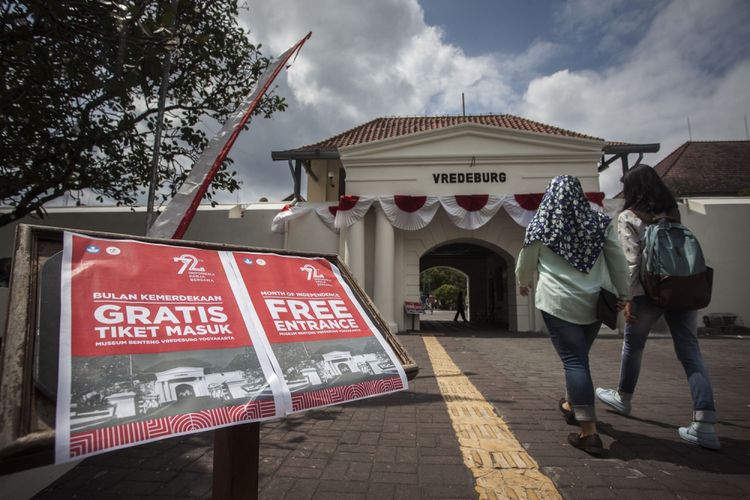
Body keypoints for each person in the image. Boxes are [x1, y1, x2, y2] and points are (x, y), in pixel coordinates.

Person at [595, 164, 720, 450]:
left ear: (633, 189)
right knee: (690, 351)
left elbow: (631, 262)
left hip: (647, 293)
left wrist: (626, 299)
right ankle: (705, 422)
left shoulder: (629, 216)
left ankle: (623, 397)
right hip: (681, 287)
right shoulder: (673, 211)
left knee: (633, 345)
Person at [516, 175, 629, 455]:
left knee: (575, 361)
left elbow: (525, 262)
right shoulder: (599, 223)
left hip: (558, 303)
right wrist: (624, 293)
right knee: (578, 358)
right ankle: (570, 404)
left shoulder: (540, 225)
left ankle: (588, 431)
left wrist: (523, 282)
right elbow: (617, 258)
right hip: (593, 303)